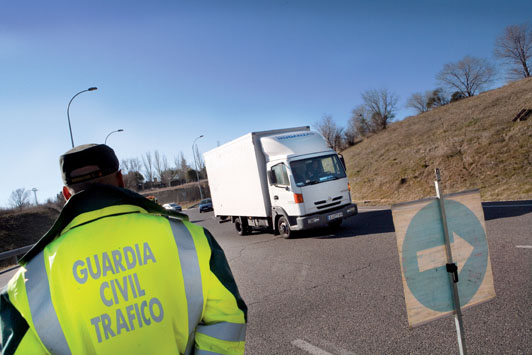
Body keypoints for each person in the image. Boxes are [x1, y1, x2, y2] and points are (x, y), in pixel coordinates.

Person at [0, 144, 247, 355]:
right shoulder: (190, 239)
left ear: (66, 194)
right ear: (120, 179)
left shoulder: (25, 287)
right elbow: (227, 319)